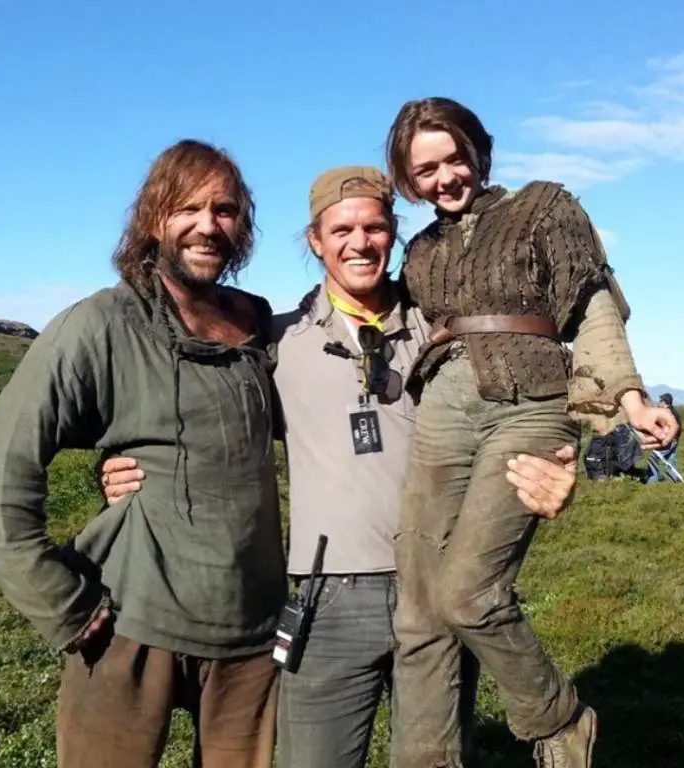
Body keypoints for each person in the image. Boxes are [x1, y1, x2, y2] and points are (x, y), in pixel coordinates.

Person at [101, 165, 580, 768]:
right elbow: (204, 420)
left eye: (375, 227)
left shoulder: (442, 331)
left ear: (393, 233)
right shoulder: (276, 341)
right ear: (315, 241)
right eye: (342, 229)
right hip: (327, 599)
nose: (360, 242)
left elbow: (520, 408)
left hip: (430, 588)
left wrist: (559, 464)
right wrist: (119, 463)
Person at [0, 140, 287, 768]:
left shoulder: (253, 323)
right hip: (131, 621)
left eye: (224, 209)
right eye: (186, 208)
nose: (206, 225)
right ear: (152, 219)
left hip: (250, 630)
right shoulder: (103, 323)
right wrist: (60, 601)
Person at [384, 97, 680, 767]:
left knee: (468, 592)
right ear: (408, 179)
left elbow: (592, 305)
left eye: (454, 158)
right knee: (420, 610)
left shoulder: (543, 208)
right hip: (443, 409)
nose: (445, 178)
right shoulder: (422, 249)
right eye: (425, 170)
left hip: (529, 399)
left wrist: (630, 399)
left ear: (478, 152)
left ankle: (559, 720)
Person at [647, 393, 683, 483]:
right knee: (671, 459)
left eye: (661, 401)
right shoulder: (673, 411)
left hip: (669, 440)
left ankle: (652, 481)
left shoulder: (666, 413)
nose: (659, 402)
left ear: (666, 403)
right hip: (674, 440)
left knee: (653, 458)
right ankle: (673, 480)